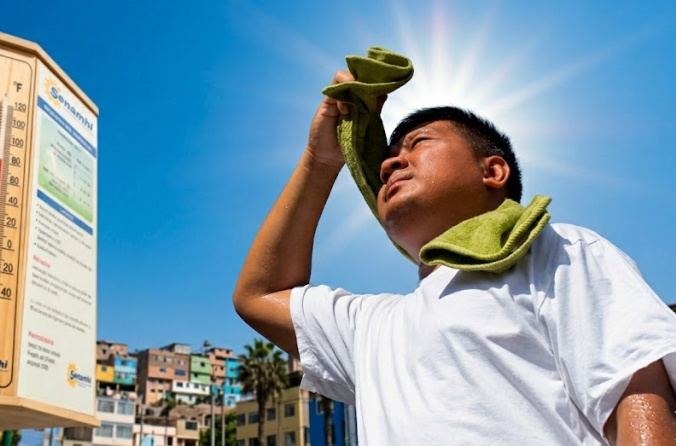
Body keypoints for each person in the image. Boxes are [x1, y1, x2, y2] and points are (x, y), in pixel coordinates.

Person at [233, 69, 676, 445]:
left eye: (417, 143)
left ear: (493, 171)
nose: (389, 165)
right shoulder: (370, 328)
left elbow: (635, 395)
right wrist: (320, 159)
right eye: (386, 160)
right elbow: (259, 294)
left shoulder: (558, 251)